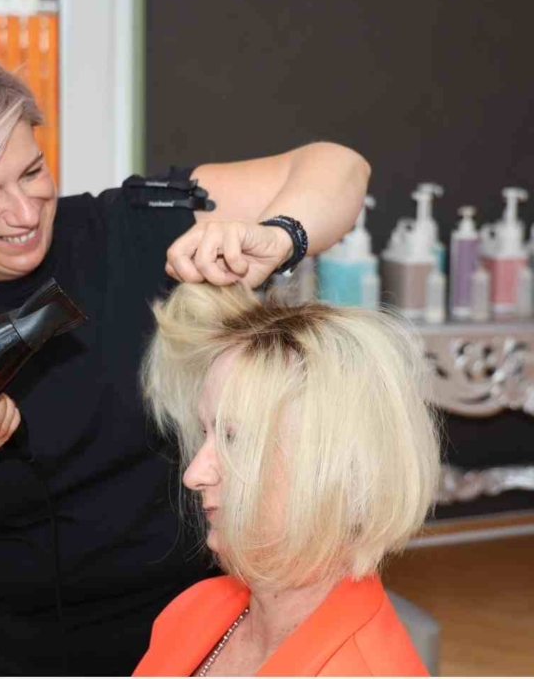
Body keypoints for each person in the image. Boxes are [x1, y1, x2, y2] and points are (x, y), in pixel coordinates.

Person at [0, 42, 371, 676]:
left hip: (200, 629)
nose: (23, 213)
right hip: (10, 648)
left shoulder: (133, 227)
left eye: (31, 172)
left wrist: (279, 237)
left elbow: (339, 167)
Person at [135, 284, 441, 677]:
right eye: (206, 432)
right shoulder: (191, 610)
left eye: (234, 438)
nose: (194, 474)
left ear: (328, 468)